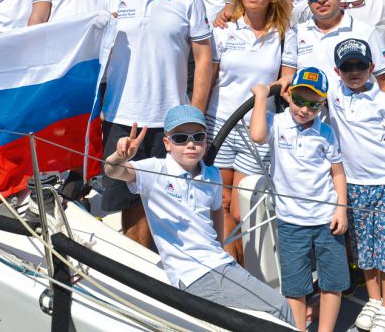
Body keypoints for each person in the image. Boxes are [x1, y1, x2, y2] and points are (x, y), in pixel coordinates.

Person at [104, 105, 294, 325]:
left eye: (198, 137)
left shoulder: (212, 175)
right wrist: (120, 157)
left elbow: (217, 214)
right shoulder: (155, 170)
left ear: (206, 139)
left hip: (217, 265)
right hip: (195, 274)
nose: (191, 144)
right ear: (167, 143)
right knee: (280, 308)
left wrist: (221, 251)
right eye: (180, 138)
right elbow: (113, 171)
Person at [97, 0, 212, 248]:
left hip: (172, 122)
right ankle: (139, 274)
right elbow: (95, 52)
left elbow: (204, 58)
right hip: (122, 116)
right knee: (130, 208)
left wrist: (195, 116)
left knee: (171, 206)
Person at [250, 68, 349, 332]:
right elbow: (257, 135)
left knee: (332, 282)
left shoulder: (326, 132)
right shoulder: (277, 122)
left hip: (327, 220)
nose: (304, 109)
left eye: (313, 104)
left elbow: (338, 173)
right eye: (299, 100)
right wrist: (261, 95)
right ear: (289, 95)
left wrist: (341, 209)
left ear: (322, 104)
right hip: (291, 221)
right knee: (295, 286)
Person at [206, 0, 291, 263]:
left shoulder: (284, 35)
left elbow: (287, 79)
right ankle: (231, 270)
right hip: (218, 123)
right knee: (221, 203)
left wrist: (266, 92)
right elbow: (209, 76)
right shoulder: (224, 29)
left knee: (244, 209)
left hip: (258, 127)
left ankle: (242, 269)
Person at [328, 38, 385, 332]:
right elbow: (301, 92)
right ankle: (374, 300)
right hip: (353, 186)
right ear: (337, 71)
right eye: (347, 67)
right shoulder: (333, 95)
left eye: (360, 65)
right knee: (364, 248)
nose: (354, 72)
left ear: (372, 67)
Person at [279, 0, 385, 99]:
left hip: (356, 112)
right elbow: (288, 78)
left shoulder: (366, 32)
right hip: (308, 110)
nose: (321, 0)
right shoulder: (296, 33)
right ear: (307, 0)